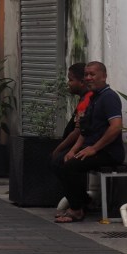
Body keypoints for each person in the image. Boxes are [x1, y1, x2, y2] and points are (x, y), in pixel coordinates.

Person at [54, 60, 125, 224]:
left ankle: (76, 209)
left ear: (104, 76)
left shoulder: (109, 97)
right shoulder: (93, 98)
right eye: (86, 75)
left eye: (92, 74)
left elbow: (116, 127)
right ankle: (84, 202)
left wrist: (94, 148)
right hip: (92, 149)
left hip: (108, 152)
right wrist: (73, 149)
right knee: (58, 161)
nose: (88, 78)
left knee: (70, 166)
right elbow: (84, 130)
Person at [50, 63, 94, 218]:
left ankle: (77, 206)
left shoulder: (87, 100)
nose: (68, 84)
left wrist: (60, 149)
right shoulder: (85, 99)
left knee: (61, 162)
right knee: (59, 161)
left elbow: (78, 131)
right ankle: (83, 200)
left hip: (89, 146)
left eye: (70, 80)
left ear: (81, 82)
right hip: (83, 144)